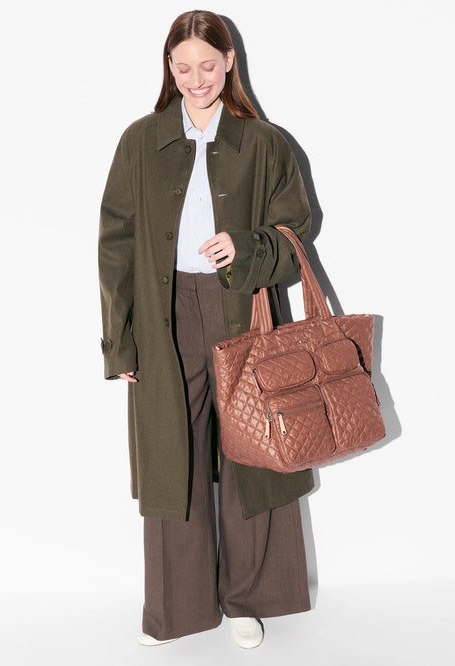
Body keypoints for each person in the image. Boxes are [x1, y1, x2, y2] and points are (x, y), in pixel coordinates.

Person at [98, 9, 315, 649]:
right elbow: (115, 244)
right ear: (169, 68)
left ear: (229, 64)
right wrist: (120, 340)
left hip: (240, 305)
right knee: (173, 454)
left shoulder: (264, 142)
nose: (197, 79)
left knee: (251, 449)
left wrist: (246, 246)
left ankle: (249, 598)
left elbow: (295, 233)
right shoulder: (141, 141)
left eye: (209, 66)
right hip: (163, 313)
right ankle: (178, 607)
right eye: (184, 67)